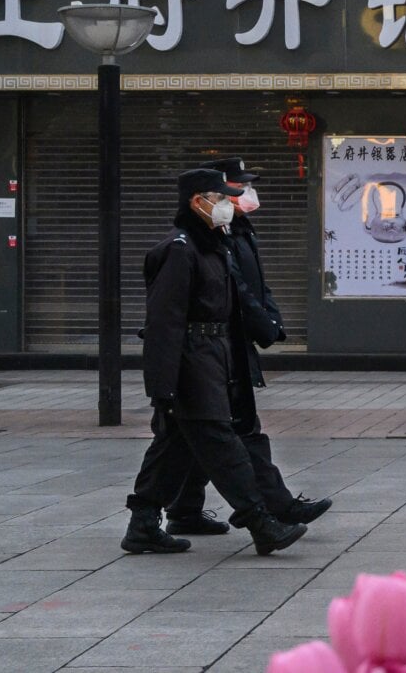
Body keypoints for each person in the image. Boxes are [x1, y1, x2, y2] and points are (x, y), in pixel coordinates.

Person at [120, 169, 307, 556]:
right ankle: (260, 522)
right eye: (219, 198)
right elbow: (165, 321)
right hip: (192, 361)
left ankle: (143, 524)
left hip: (213, 356)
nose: (226, 204)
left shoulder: (212, 245)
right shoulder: (179, 249)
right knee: (222, 445)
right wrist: (162, 385)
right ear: (197, 202)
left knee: (174, 445)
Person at [162, 156, 333, 537]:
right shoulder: (196, 242)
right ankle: (269, 510)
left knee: (194, 436)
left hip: (226, 346)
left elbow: (257, 284)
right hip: (212, 348)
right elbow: (231, 290)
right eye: (235, 189)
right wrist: (262, 325)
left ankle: (183, 510)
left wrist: (272, 320)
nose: (243, 194)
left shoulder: (238, 230)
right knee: (225, 432)